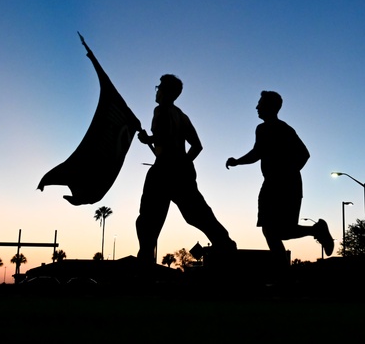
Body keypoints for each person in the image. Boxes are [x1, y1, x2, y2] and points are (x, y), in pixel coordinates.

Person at [135, 74, 236, 263]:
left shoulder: (160, 110)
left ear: (166, 91)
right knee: (198, 215)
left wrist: (147, 139)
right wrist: (184, 162)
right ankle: (225, 244)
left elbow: (163, 137)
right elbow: (197, 145)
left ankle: (145, 259)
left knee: (149, 218)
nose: (157, 91)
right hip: (182, 173)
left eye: (159, 87)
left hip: (163, 171)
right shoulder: (182, 116)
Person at [226, 90, 334, 262]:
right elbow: (257, 153)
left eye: (260, 104)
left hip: (284, 184)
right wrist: (238, 161)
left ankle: (285, 273)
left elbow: (304, 154)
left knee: (275, 231)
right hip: (274, 183)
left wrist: (286, 173)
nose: (257, 107)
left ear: (269, 106)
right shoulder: (267, 129)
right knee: (275, 231)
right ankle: (315, 232)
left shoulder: (280, 129)